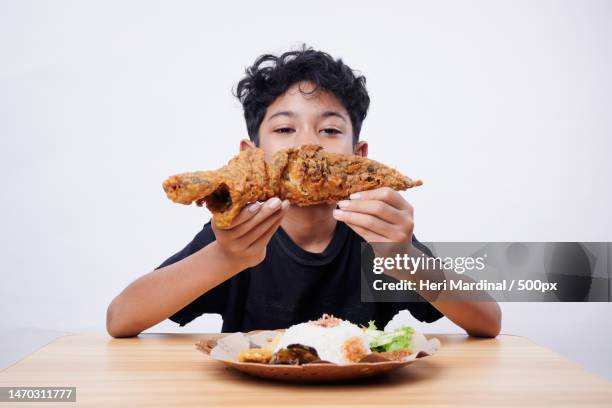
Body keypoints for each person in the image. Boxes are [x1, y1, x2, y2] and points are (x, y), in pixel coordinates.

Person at [106, 46, 501, 338]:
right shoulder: (236, 235)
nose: (307, 146)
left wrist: (406, 259)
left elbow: (488, 321)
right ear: (252, 157)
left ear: (359, 158)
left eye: (329, 130)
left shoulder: (376, 239)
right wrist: (223, 257)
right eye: (284, 129)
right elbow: (120, 319)